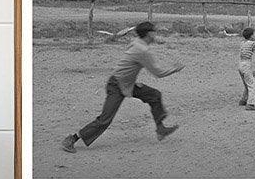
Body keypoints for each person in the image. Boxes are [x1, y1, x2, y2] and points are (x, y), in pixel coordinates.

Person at [61, 21, 182, 152]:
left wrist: (131, 80)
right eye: (153, 32)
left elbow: (129, 65)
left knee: (154, 95)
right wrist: (174, 69)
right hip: (116, 85)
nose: (155, 34)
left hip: (126, 83)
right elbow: (158, 73)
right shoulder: (142, 50)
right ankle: (72, 139)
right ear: (148, 34)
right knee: (105, 119)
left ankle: (160, 129)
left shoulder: (137, 42)